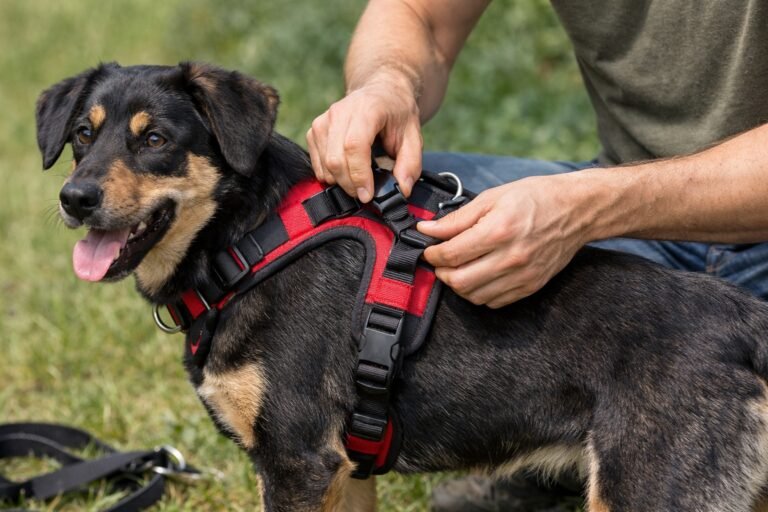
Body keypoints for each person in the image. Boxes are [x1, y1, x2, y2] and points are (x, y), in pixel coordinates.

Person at [307, 0, 768, 509]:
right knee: (381, 228)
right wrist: (387, 81)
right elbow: (419, 15)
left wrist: (587, 208)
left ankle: (659, 440)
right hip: (640, 217)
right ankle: (563, 438)